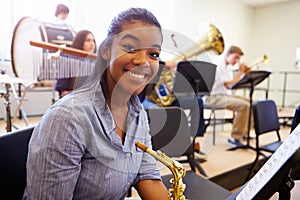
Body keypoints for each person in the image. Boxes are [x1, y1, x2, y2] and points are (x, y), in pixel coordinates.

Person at [23, 7, 168, 199]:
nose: (144, 61)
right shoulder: (68, 118)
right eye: (130, 47)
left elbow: (147, 174)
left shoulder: (138, 112)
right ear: (106, 51)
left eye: (154, 54)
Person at [204, 45, 252, 146]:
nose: (237, 61)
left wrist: (243, 74)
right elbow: (229, 84)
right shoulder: (219, 65)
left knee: (251, 102)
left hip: (223, 95)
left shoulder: (226, 67)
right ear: (228, 54)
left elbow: (233, 86)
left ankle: (244, 132)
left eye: (239, 58)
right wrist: (241, 72)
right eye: (236, 57)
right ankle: (234, 137)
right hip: (213, 97)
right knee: (244, 106)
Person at [55, 30, 97, 98]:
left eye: (93, 41)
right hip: (74, 101)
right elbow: (63, 91)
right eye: (88, 40)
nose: (92, 44)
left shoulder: (96, 62)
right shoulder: (70, 60)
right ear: (80, 42)